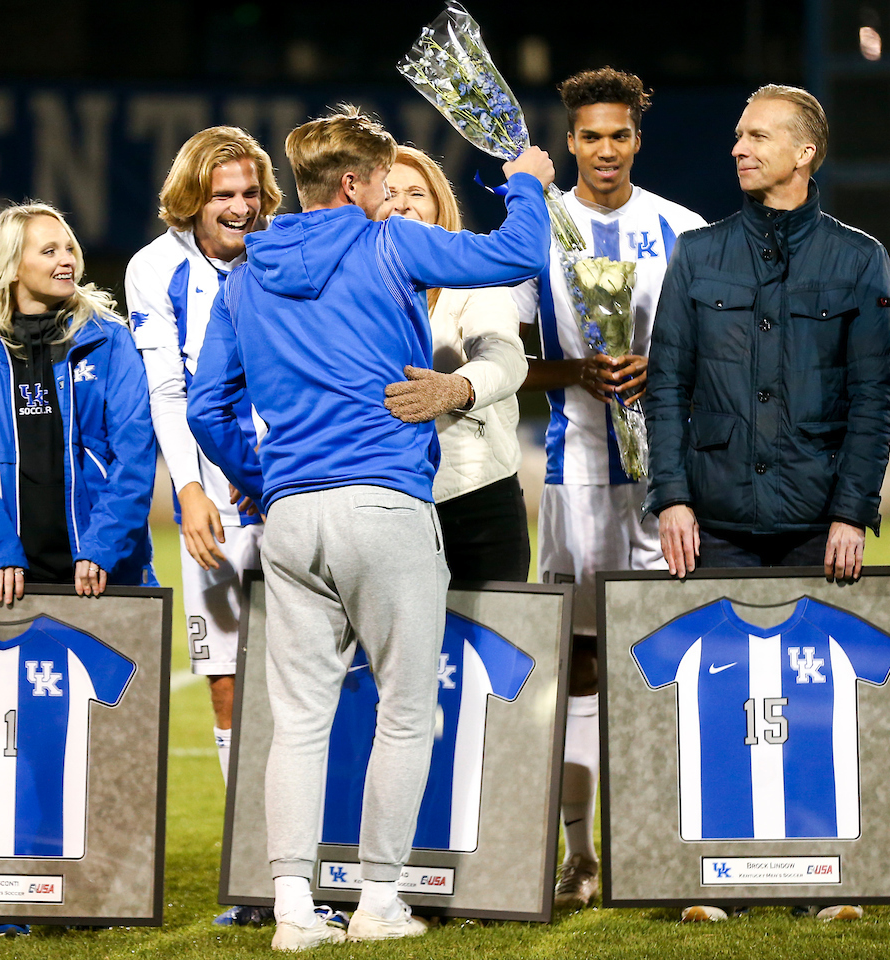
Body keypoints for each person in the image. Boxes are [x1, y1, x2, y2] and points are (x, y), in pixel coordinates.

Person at [187, 106, 552, 950]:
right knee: (404, 708)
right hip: (385, 504)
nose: (392, 193)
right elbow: (516, 254)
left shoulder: (243, 274)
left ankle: (290, 909)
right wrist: (527, 185)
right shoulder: (389, 243)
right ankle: (379, 900)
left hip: (292, 516)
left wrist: (261, 478)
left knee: (300, 717)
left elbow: (209, 407)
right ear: (353, 184)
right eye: (385, 180)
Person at [643, 84, 890, 922]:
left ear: (804, 153)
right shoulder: (697, 254)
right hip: (711, 516)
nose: (738, 148)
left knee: (816, 704)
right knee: (714, 703)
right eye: (739, 135)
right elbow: (666, 389)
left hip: (815, 519)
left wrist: (851, 511)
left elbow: (875, 396)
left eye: (757, 136)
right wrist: (672, 498)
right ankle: (714, 878)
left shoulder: (859, 259)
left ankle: (823, 880)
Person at [511, 67, 706, 909]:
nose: (603, 150)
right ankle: (583, 858)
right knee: (583, 663)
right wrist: (576, 372)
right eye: (588, 136)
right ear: (570, 142)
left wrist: (656, 367)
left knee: (677, 656)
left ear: (637, 139)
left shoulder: (682, 229)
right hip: (576, 480)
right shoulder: (540, 233)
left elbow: (713, 354)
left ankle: (672, 844)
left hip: (672, 483)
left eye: (618, 135)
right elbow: (509, 362)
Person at [0, 202, 156, 937]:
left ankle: (106, 893)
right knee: (21, 740)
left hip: (105, 572)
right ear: (12, 264)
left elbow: (135, 453)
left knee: (108, 739)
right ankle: (20, 892)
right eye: (48, 249)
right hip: (13, 576)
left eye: (69, 246)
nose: (66, 257)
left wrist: (101, 545)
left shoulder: (109, 340)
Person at [124, 132, 279, 916]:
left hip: (290, 487)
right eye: (225, 194)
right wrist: (189, 488)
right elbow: (166, 385)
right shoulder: (155, 269)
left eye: (250, 193)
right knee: (224, 676)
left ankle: (322, 853)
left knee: (310, 671)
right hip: (212, 500)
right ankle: (254, 863)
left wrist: (280, 473)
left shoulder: (281, 252)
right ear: (193, 196)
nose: (241, 208)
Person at [381, 145, 530, 582]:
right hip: (387, 500)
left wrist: (456, 389)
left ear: (440, 206)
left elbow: (505, 356)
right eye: (390, 193)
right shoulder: (349, 286)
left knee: (492, 648)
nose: (403, 204)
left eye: (417, 193)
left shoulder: (472, 278)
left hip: (477, 498)